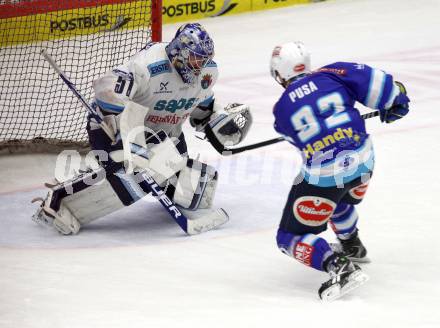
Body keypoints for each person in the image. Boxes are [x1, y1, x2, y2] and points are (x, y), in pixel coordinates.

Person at [32, 23, 252, 235]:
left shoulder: (206, 74)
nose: (201, 66)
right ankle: (60, 196)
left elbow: (201, 110)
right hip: (115, 128)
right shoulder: (148, 65)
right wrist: (122, 133)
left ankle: (147, 169)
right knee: (140, 176)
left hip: (164, 135)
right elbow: (104, 90)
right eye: (196, 59)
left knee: (195, 189)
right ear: (180, 53)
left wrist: (220, 120)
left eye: (204, 60)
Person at [270, 41, 409, 300]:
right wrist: (396, 102)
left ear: (278, 73)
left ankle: (339, 266)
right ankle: (351, 244)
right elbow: (384, 88)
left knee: (288, 236)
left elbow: (300, 142)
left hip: (327, 171)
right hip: (364, 161)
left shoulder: (281, 111)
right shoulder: (334, 73)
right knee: (338, 196)